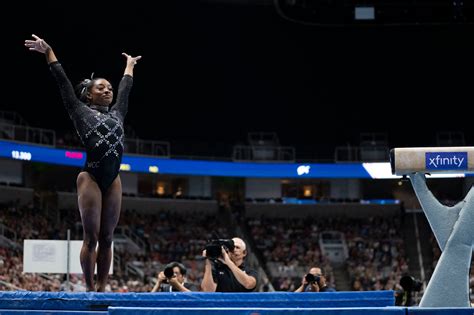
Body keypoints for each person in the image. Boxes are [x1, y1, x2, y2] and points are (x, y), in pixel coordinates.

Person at [25, 34, 141, 292]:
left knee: (108, 238)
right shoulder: (79, 111)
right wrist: (49, 52)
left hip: (113, 178)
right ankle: (88, 288)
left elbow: (125, 89)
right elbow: (62, 82)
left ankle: (101, 288)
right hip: (90, 176)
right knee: (91, 238)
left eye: (109, 87)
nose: (108, 90)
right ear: (88, 95)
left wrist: (130, 66)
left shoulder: (118, 113)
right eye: (101, 87)